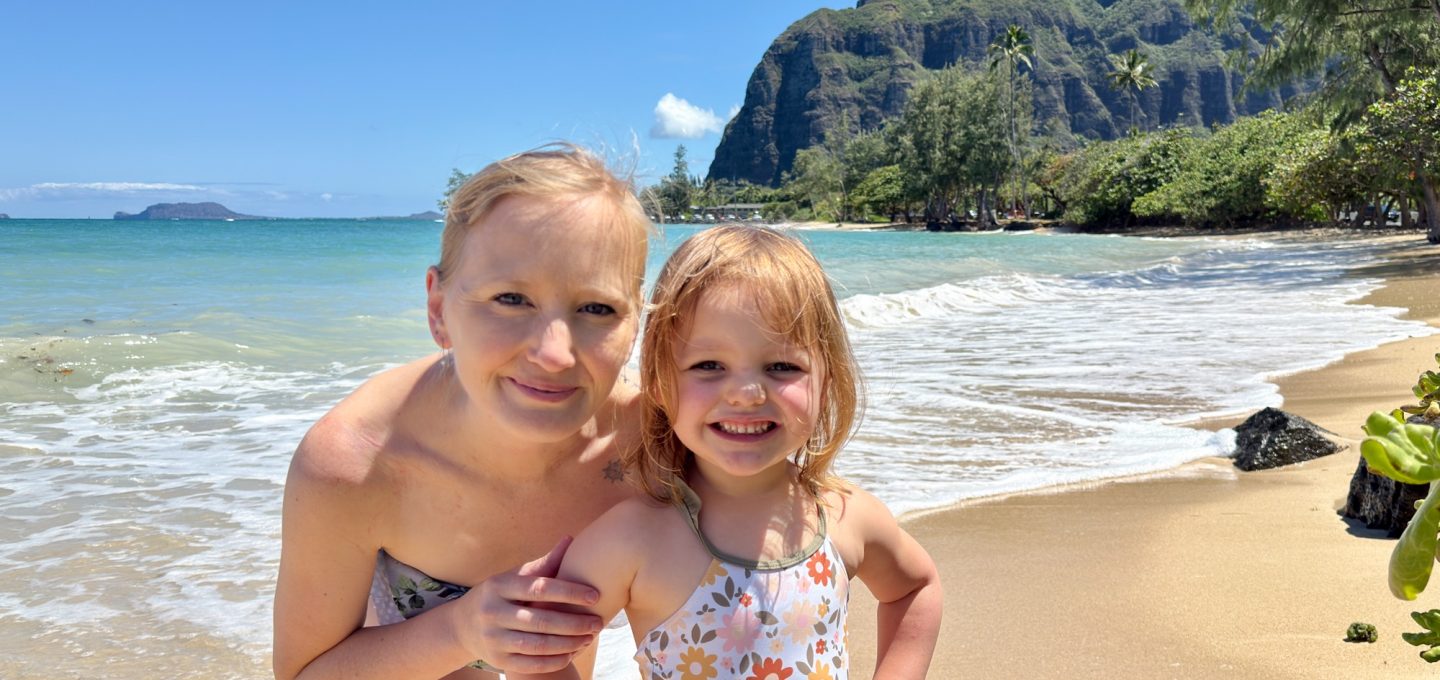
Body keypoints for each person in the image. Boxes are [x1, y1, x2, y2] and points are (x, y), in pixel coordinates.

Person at [272, 143, 652, 680]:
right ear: (438, 310)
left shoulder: (652, 448)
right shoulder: (358, 463)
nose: (554, 354)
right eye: (511, 300)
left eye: (596, 308)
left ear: (635, 320)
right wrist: (459, 630)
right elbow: (302, 673)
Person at [511, 225, 942, 680]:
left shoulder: (844, 516)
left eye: (782, 366)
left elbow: (915, 587)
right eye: (708, 366)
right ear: (659, 383)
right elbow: (538, 650)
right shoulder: (635, 536)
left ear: (827, 381)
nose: (747, 393)